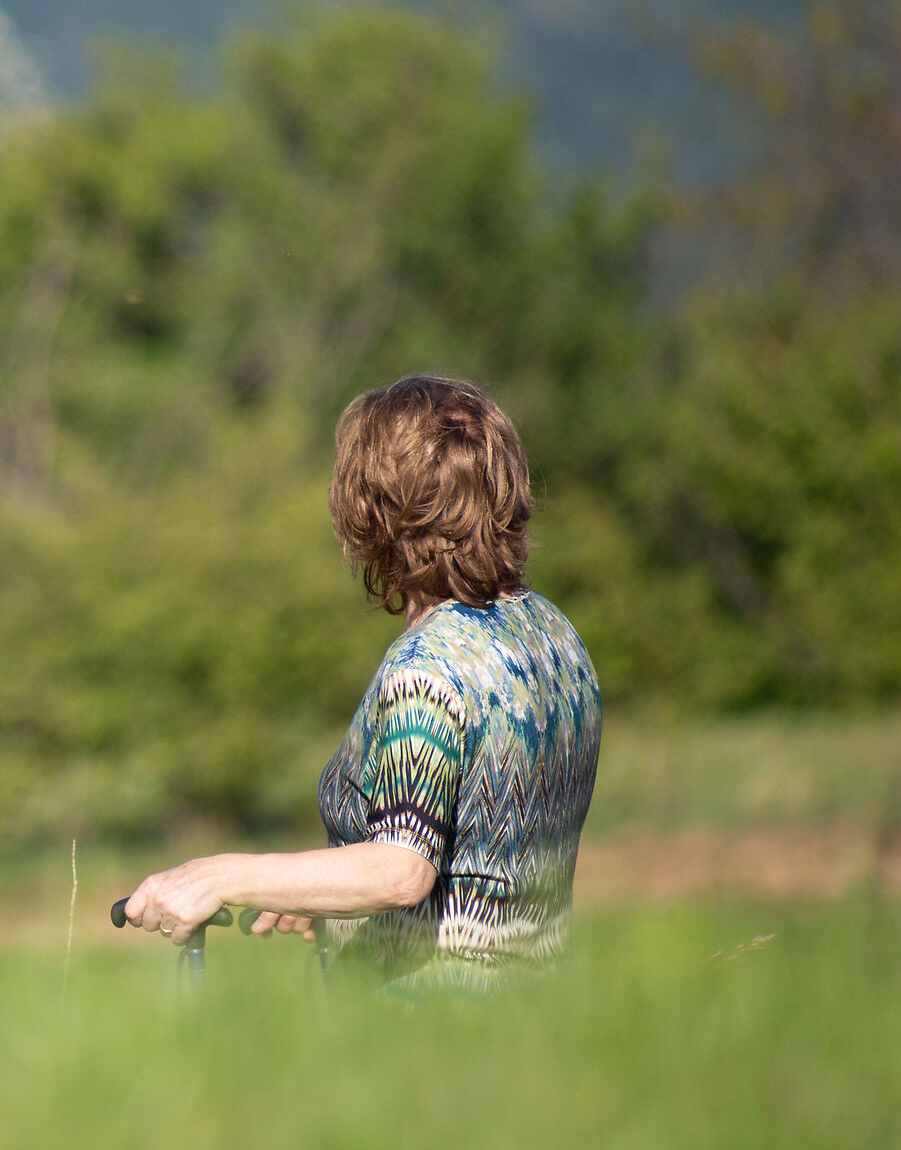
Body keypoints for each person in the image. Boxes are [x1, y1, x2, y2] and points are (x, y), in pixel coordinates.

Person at [121, 374, 600, 994]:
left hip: (427, 1041)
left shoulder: (427, 669)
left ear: (373, 509)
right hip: (536, 1023)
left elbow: (401, 872)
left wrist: (216, 876)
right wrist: (316, 888)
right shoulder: (554, 637)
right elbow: (481, 855)